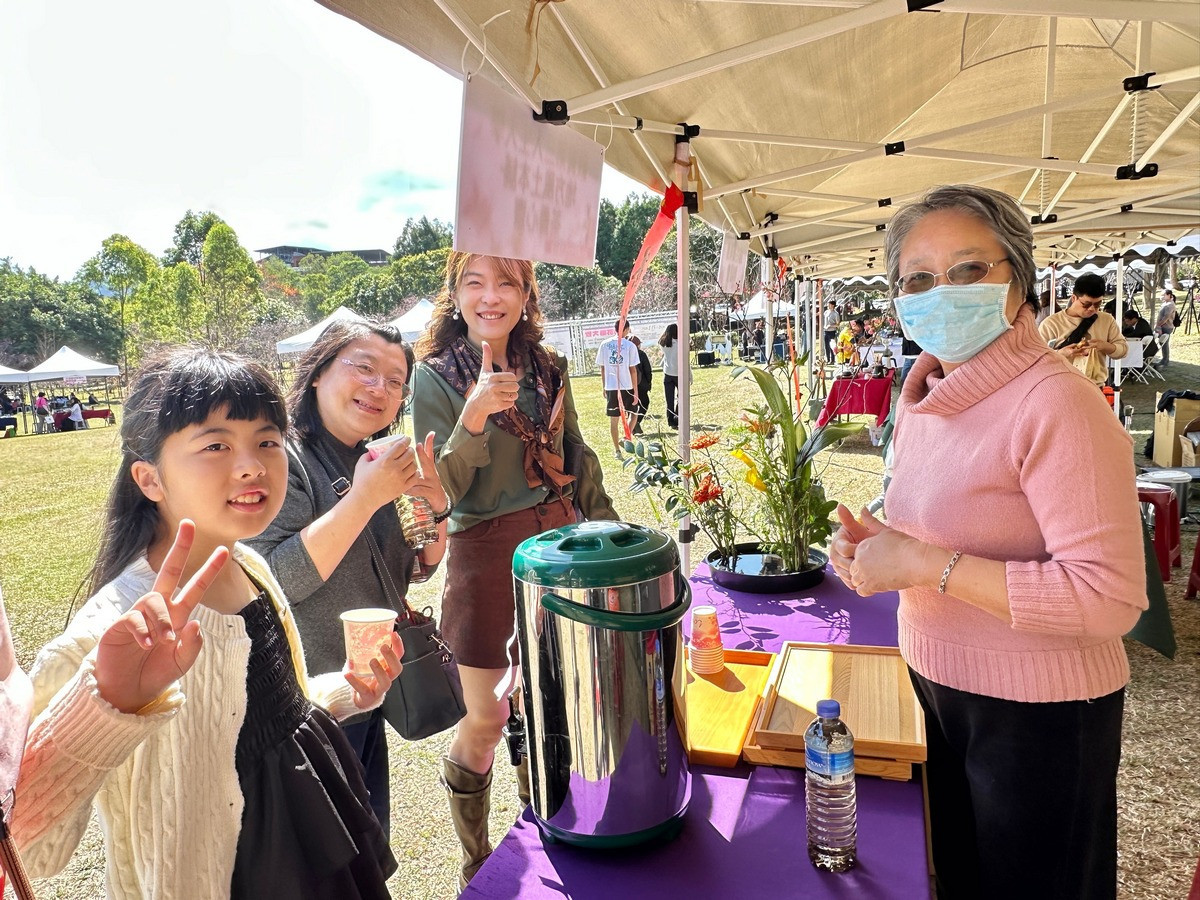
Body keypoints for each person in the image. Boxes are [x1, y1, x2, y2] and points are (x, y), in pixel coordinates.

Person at [830, 184, 1146, 900]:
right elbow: (947, 535)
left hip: (1039, 715)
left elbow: (1110, 597)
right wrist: (883, 546)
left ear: (1020, 278)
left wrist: (926, 564)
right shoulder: (924, 398)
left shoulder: (1055, 402)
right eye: (917, 278)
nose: (942, 292)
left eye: (969, 270)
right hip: (935, 687)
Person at [12, 348, 401, 897]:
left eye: (267, 441)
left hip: (312, 844)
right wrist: (109, 705)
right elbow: (27, 841)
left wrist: (345, 690)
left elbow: (258, 719)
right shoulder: (117, 628)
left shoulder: (249, 563)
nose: (251, 465)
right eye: (215, 444)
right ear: (149, 479)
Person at [411, 252, 617, 890]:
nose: (490, 296)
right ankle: (477, 861)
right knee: (488, 715)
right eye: (474, 282)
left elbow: (576, 454)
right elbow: (436, 492)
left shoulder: (547, 366)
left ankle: (543, 825)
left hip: (558, 544)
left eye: (506, 282)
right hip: (484, 556)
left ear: (527, 292)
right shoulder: (435, 378)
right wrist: (472, 417)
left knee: (549, 700)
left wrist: (604, 527)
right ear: (455, 293)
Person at [248, 319, 449, 838]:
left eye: (396, 380)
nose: (380, 388)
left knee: (367, 847)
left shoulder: (375, 456)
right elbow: (272, 580)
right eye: (364, 368)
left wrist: (434, 505)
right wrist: (364, 498)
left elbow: (416, 568)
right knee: (322, 863)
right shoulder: (281, 458)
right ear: (316, 372)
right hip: (302, 706)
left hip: (366, 692)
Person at [1038, 273, 1128, 386]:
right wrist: (1061, 354)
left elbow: (1123, 351)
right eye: (1086, 304)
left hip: (1096, 387)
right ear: (1074, 298)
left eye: (1097, 304)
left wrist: (1104, 346)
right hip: (1061, 387)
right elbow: (1037, 362)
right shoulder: (1051, 324)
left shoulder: (1106, 320)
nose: (1092, 309)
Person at [594, 318, 639, 459]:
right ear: (626, 329)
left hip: (612, 386)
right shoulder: (630, 346)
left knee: (615, 419)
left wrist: (604, 386)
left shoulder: (604, 344)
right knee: (633, 414)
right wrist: (636, 391)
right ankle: (625, 440)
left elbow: (602, 368)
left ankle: (618, 448)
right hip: (627, 386)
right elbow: (633, 370)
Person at [658, 323, 681, 429]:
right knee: (681, 398)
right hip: (679, 374)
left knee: (669, 400)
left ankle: (671, 421)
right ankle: (678, 417)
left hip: (668, 373)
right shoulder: (679, 344)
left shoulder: (664, 344)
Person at [629, 334, 653, 435]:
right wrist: (649, 382)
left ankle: (632, 425)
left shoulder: (626, 353)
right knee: (644, 403)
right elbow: (648, 370)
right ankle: (636, 422)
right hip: (641, 384)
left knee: (632, 406)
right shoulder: (641, 354)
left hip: (628, 384)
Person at [1154, 288, 1177, 369]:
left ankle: (1165, 360)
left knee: (1164, 343)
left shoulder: (1170, 305)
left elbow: (1166, 317)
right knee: (1162, 343)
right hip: (1162, 326)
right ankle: (1164, 359)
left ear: (1168, 295)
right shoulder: (1165, 303)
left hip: (1166, 327)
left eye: (1164, 295)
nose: (1162, 296)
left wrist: (1159, 325)